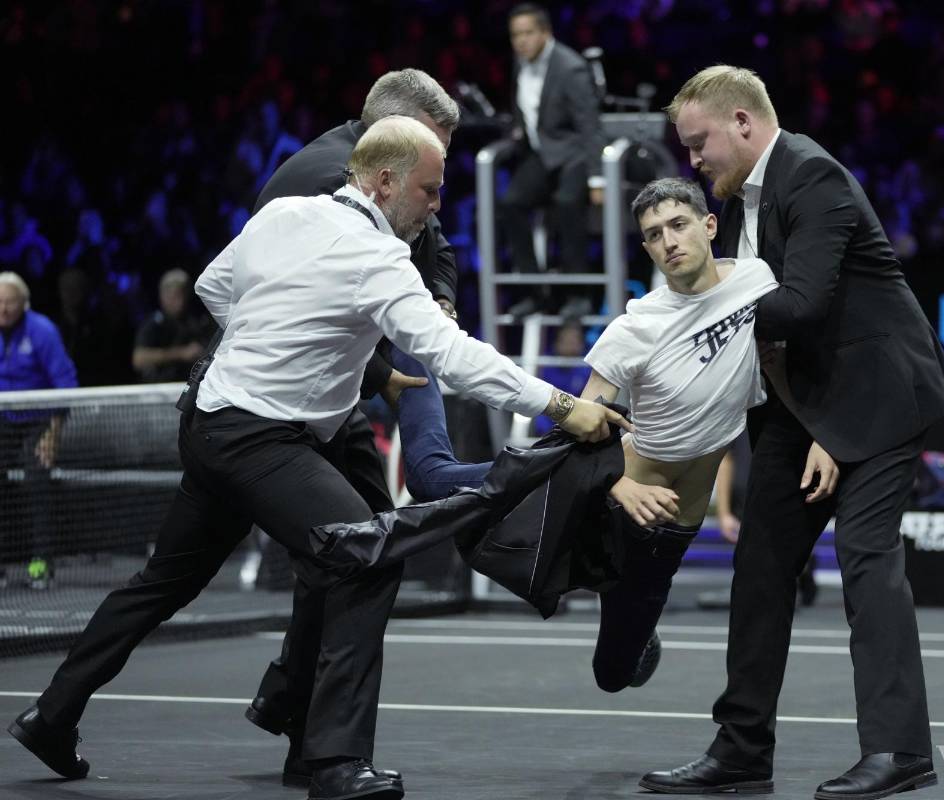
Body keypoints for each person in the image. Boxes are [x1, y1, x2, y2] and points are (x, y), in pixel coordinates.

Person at [6, 117, 628, 800]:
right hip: (262, 440)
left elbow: (214, 287)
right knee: (368, 560)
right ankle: (333, 763)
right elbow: (452, 357)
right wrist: (562, 406)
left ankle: (52, 715)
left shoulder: (284, 216)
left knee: (168, 581)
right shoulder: (378, 255)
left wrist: (295, 348)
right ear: (385, 181)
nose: (435, 207)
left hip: (212, 425)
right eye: (430, 190)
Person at [641, 66, 944, 799]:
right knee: (760, 568)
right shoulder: (737, 205)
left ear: (743, 122)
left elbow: (804, 305)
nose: (693, 161)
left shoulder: (812, 176)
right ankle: (742, 749)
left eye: (699, 143)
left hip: (880, 399)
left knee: (866, 559)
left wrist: (693, 319)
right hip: (801, 405)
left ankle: (900, 750)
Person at [235, 69, 493, 790]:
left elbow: (437, 247)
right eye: (431, 167)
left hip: (331, 390)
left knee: (354, 550)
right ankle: (322, 747)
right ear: (388, 152)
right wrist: (382, 364)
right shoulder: (313, 186)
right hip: (283, 408)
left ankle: (296, 715)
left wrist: (437, 302)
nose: (436, 190)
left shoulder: (395, 181)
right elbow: (248, 291)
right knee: (365, 553)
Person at [577, 177, 781, 693]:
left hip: (682, 519)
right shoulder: (635, 327)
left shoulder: (756, 279)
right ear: (646, 248)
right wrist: (618, 485)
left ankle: (635, 624)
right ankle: (628, 621)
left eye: (678, 224)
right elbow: (578, 427)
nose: (668, 241)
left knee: (623, 651)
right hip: (628, 509)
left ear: (709, 226)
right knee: (612, 675)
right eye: (653, 234)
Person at [500, 2, 605, 318]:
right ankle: (534, 292)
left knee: (567, 203)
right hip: (542, 154)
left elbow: (589, 125)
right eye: (516, 35)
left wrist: (596, 177)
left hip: (573, 154)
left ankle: (577, 295)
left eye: (528, 33)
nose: (521, 41)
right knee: (511, 203)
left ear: (545, 32)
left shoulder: (570, 67)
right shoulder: (519, 64)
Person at [0, 271, 78, 589]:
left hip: (40, 419)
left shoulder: (42, 331)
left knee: (37, 478)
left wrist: (53, 433)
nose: (3, 309)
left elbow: (66, 385)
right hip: (4, 419)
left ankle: (41, 561)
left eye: (9, 302)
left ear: (24, 303)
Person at [131, 269, 212, 382]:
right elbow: (139, 359)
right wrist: (181, 354)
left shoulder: (197, 321)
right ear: (163, 296)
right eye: (174, 296)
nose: (180, 302)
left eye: (183, 295)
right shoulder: (154, 323)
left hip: (190, 384)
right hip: (159, 386)